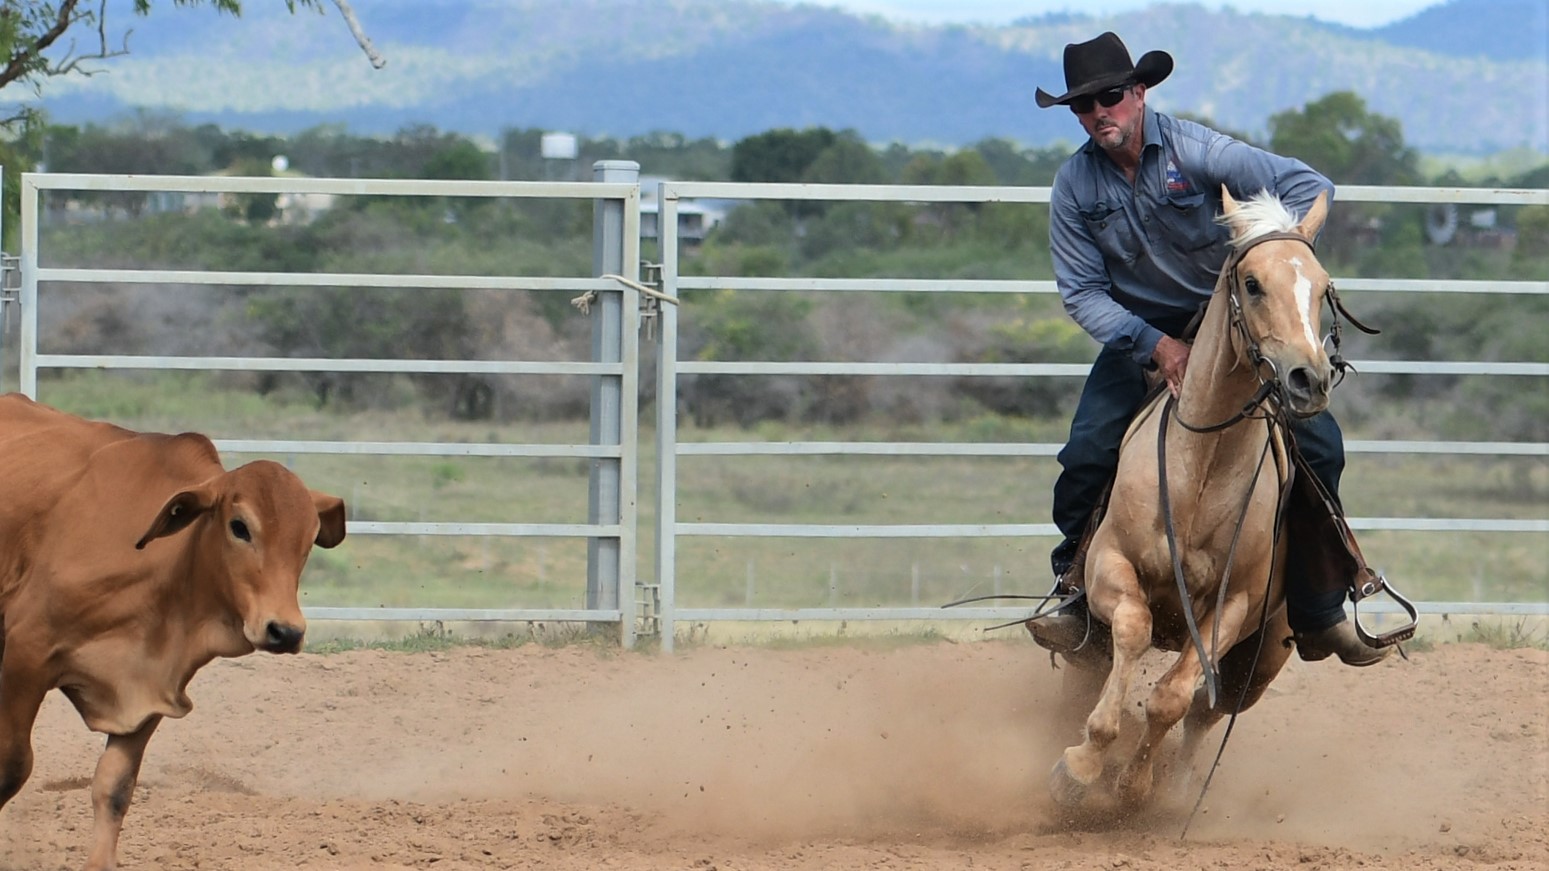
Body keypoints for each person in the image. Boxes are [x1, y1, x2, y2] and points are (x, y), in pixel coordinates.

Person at [1032, 31, 1386, 666]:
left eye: (1111, 97)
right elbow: (1082, 292)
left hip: (1231, 322)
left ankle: (1318, 610)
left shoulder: (1195, 150)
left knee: (1319, 446)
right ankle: (1075, 594)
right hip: (1139, 331)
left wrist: (1266, 252)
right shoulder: (1074, 186)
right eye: (1084, 105)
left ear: (1139, 93)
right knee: (1087, 452)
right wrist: (1157, 345)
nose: (1100, 112)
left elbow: (1308, 185)